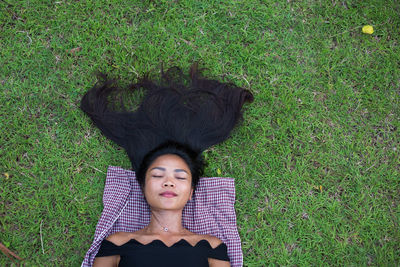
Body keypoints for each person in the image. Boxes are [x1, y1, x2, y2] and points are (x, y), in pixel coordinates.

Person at [80, 64, 253, 267]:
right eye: (157, 175)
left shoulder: (212, 246)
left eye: (180, 177)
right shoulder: (117, 242)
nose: (169, 182)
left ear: (191, 192)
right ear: (142, 187)